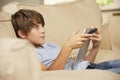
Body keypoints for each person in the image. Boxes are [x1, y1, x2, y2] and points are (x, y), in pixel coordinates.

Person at [11, 9, 120, 74]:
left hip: (91, 68)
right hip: (86, 74)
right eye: (36, 27)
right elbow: (49, 76)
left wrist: (95, 46)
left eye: (42, 26)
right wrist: (67, 47)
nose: (43, 30)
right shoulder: (28, 54)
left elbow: (80, 65)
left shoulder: (50, 45)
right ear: (22, 34)